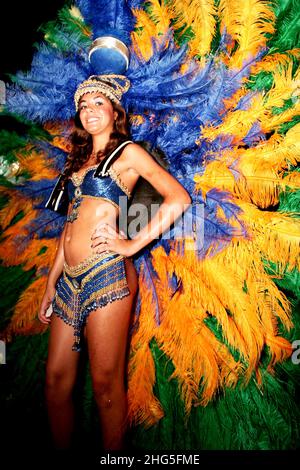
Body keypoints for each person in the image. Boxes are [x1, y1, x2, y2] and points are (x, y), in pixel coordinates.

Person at [38, 74, 191, 452]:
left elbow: (178, 199)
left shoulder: (127, 153)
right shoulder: (77, 162)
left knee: (106, 384)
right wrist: (48, 285)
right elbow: (69, 228)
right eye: (83, 105)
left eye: (98, 103)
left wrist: (130, 244)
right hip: (67, 282)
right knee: (56, 383)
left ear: (114, 110)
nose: (89, 110)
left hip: (107, 275)